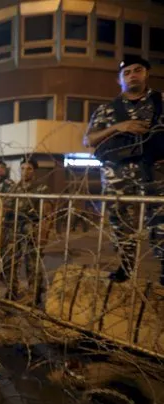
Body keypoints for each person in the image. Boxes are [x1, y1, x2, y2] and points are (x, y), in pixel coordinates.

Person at [85, 56, 164, 284]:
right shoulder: (107, 109)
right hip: (117, 174)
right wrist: (119, 126)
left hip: (156, 171)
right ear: (120, 79)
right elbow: (89, 139)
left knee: (160, 221)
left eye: (137, 70)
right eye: (127, 72)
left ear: (146, 74)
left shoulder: (160, 102)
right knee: (120, 222)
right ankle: (126, 266)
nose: (132, 75)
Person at [4, 158, 51, 305]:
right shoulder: (15, 188)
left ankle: (35, 295)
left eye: (29, 168)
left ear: (34, 171)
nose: (25, 171)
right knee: (11, 261)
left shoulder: (41, 188)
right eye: (23, 168)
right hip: (14, 229)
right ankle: (11, 290)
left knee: (32, 264)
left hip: (32, 229)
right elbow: (6, 207)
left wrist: (43, 234)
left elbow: (47, 213)